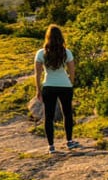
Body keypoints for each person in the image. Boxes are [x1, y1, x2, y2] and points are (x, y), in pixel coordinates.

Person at [34, 24, 80, 154]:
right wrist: (70, 83)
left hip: (49, 86)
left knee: (48, 116)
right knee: (67, 114)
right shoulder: (66, 52)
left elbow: (37, 74)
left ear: (47, 37)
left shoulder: (41, 53)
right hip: (65, 86)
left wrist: (38, 89)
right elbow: (72, 71)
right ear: (61, 37)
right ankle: (69, 141)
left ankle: (51, 146)